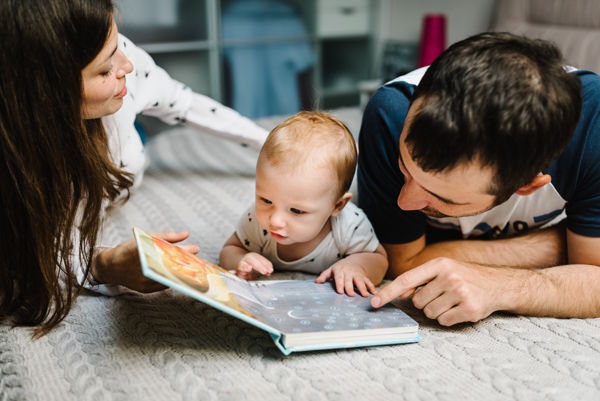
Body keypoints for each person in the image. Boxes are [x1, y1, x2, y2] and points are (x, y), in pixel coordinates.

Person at [0, 0, 268, 335]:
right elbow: (48, 262)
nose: (125, 63)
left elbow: (187, 105)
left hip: (123, 145)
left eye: (118, 43)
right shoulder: (27, 173)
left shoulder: (127, 64)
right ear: (45, 95)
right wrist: (106, 264)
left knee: (134, 134)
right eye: (102, 70)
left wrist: (275, 145)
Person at [358, 32, 600, 325]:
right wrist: (560, 244)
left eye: (442, 198)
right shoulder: (390, 115)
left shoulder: (593, 133)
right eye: (404, 168)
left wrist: (501, 285)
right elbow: (402, 263)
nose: (404, 201)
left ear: (526, 186)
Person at [219, 111, 388, 296]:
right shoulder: (256, 221)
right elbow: (230, 250)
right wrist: (242, 260)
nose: (275, 220)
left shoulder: (350, 226)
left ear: (338, 206)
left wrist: (356, 266)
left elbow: (379, 260)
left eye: (297, 211)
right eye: (266, 200)